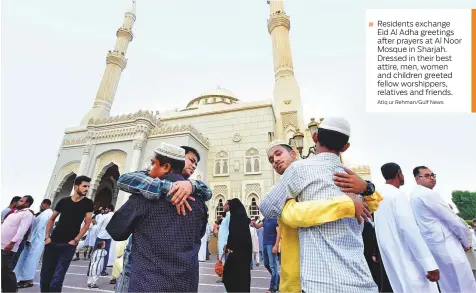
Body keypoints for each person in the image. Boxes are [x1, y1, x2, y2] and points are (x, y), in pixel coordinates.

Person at [260, 118, 378, 293]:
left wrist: (367, 188)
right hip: (360, 280)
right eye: (271, 159)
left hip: (318, 280)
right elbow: (371, 204)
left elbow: (269, 208)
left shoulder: (299, 171)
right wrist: (362, 191)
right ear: (345, 147)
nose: (275, 161)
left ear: (314, 138)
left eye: (278, 154)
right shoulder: (352, 179)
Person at [107, 143, 209, 292]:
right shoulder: (199, 200)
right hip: (185, 284)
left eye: (153, 163)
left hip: (147, 283)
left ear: (166, 167)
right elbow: (199, 235)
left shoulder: (144, 197)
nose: (149, 168)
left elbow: (116, 231)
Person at [374, 163, 439, 293]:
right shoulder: (398, 195)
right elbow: (410, 230)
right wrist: (429, 264)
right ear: (399, 173)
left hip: (390, 256)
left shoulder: (377, 196)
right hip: (408, 256)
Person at [410, 166, 476, 292]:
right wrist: (466, 241)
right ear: (417, 179)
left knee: (449, 285)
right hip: (448, 245)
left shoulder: (414, 195)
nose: (432, 178)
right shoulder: (427, 194)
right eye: (427, 175)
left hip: (436, 245)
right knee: (464, 284)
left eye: (433, 175)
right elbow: (454, 221)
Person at [40, 175, 94, 292]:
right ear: (76, 187)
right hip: (53, 242)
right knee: (45, 277)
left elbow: (87, 224)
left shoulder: (88, 203)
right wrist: (47, 237)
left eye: (88, 187)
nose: (87, 189)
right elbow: (52, 219)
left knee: (57, 279)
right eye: (84, 186)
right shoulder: (63, 201)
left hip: (68, 245)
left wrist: (75, 240)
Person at [15, 199, 53, 289]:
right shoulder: (44, 213)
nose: (40, 206)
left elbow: (38, 228)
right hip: (35, 240)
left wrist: (30, 239)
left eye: (41, 204)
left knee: (31, 260)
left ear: (45, 204)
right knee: (28, 259)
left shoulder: (47, 213)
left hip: (36, 241)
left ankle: (27, 280)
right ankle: (25, 279)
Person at [1, 195, 35, 293]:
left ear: (27, 203)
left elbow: (22, 230)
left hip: (8, 246)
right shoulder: (14, 212)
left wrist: (12, 243)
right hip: (1, 244)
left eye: (21, 201)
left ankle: (12, 290)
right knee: (2, 270)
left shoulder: (27, 214)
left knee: (6, 270)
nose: (18, 202)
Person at [222, 198, 252, 292]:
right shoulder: (241, 217)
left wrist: (229, 246)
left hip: (238, 253)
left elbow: (233, 233)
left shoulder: (236, 218)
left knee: (230, 276)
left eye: (229, 205)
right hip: (244, 253)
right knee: (242, 277)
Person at [93, 204, 114, 276]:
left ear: (110, 209)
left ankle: (91, 269)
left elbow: (98, 226)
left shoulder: (105, 216)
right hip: (108, 237)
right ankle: (103, 270)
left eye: (106, 209)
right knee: (105, 255)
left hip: (101, 236)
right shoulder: (115, 216)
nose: (105, 210)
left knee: (96, 253)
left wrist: (96, 235)